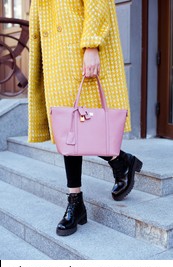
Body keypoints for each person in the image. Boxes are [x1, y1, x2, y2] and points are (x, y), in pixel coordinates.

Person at [28, 0, 143, 237]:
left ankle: (118, 162)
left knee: (74, 126)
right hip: (56, 51)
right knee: (67, 127)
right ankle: (80, 197)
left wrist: (92, 45)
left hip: (77, 46)